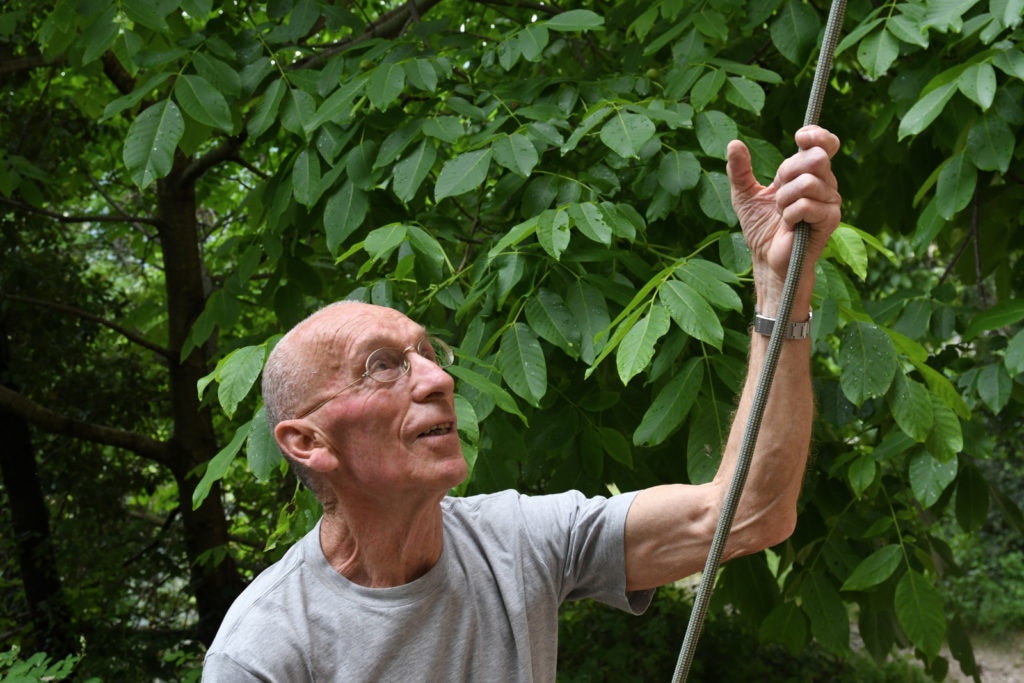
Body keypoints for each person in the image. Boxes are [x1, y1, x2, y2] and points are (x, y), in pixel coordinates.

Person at [202, 125, 842, 681]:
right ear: (308, 443)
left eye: (429, 353)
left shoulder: (515, 541)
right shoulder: (264, 650)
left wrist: (779, 285)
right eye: (383, 366)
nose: (438, 379)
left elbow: (749, 512)